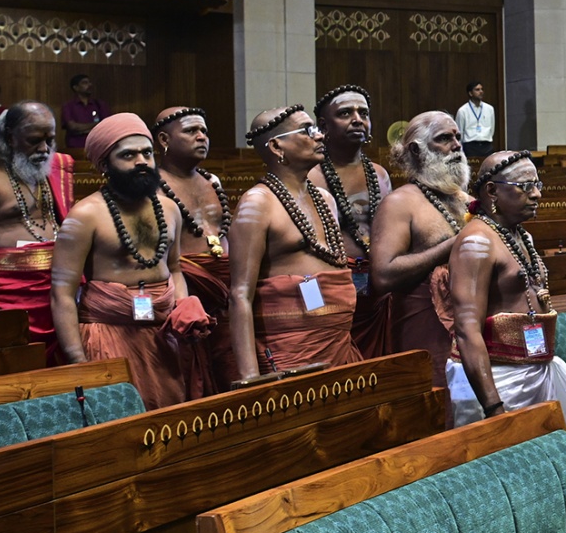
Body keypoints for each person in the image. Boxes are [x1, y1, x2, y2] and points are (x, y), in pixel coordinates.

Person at [50, 115, 212, 407]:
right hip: (108, 335)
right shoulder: (85, 215)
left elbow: (174, 268)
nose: (141, 161)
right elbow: (62, 293)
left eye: (147, 153)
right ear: (104, 165)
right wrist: (78, 361)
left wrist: (183, 310)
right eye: (128, 155)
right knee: (120, 416)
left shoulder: (170, 209)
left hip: (163, 335)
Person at [444, 149, 566, 441]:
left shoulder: (521, 235)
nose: (536, 195)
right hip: (501, 378)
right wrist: (494, 408)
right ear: (492, 191)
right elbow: (466, 330)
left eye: (538, 185)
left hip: (537, 368)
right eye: (525, 187)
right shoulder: (476, 242)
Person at [226, 105, 360, 379]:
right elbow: (240, 295)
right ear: (277, 146)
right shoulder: (258, 203)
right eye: (308, 130)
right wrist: (251, 380)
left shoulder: (326, 199)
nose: (320, 136)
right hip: (290, 354)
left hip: (339, 346)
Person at [0, 102, 73, 357]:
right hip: (9, 297)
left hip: (59, 293)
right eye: (34, 140)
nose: (44, 149)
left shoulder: (56, 169)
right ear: (10, 137)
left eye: (50, 140)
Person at [371, 111, 469, 363]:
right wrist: (453, 244)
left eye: (457, 137)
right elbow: (383, 275)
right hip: (426, 338)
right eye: (444, 138)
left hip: (471, 332)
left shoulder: (466, 201)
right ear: (417, 150)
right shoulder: (399, 203)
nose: (456, 146)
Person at [307, 84, 393, 356]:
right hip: (334, 290)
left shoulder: (380, 174)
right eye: (345, 113)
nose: (357, 119)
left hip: (378, 287)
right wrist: (314, 305)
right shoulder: (310, 177)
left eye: (363, 113)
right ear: (324, 125)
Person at [154, 106, 236, 383]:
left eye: (204, 131)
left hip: (224, 291)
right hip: (186, 289)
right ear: (164, 140)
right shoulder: (153, 187)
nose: (202, 137)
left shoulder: (213, 181)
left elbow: (226, 234)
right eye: (191, 131)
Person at [61, 74, 110, 151]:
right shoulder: (68, 106)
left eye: (89, 82)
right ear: (76, 88)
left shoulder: (99, 104)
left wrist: (82, 130)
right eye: (85, 83)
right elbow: (73, 127)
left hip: (97, 146)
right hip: (76, 147)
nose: (89, 85)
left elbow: (106, 125)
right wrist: (96, 125)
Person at [457, 82, 495, 161]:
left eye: (481, 89)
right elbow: (459, 132)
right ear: (470, 93)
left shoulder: (489, 109)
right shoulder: (463, 111)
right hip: (470, 146)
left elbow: (492, 129)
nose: (481, 91)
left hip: (486, 146)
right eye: (477, 90)